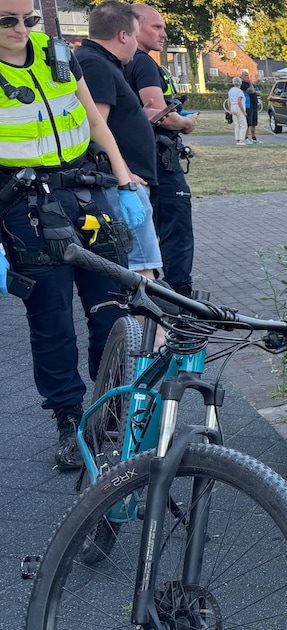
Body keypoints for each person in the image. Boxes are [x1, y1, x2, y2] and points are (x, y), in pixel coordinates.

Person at [0, 0, 148, 469]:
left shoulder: (55, 53)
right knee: (53, 322)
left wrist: (124, 182)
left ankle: (108, 409)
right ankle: (68, 418)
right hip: (26, 207)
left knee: (111, 306)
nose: (21, 28)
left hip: (85, 194)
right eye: (8, 21)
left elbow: (95, 121)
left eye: (28, 18)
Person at [75, 0, 162, 285]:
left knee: (140, 270)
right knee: (141, 272)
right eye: (136, 36)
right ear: (123, 35)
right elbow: (95, 128)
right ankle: (151, 331)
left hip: (125, 182)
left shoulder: (96, 62)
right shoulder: (96, 65)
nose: (137, 45)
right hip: (123, 185)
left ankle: (151, 330)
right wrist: (123, 176)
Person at [126, 3, 197, 298]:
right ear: (134, 27)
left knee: (145, 227)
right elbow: (158, 111)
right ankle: (180, 297)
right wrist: (186, 123)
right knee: (175, 224)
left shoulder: (121, 62)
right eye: (156, 27)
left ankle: (145, 286)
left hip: (139, 158)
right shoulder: (142, 63)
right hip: (159, 158)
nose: (163, 34)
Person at [240, 68, 260, 144]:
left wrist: (254, 89)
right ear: (242, 77)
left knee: (254, 123)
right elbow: (251, 91)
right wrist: (251, 85)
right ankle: (246, 137)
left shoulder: (251, 84)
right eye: (245, 76)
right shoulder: (243, 85)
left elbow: (258, 92)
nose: (247, 77)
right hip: (248, 105)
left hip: (254, 105)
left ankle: (254, 137)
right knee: (248, 122)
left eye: (247, 75)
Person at [228, 75, 247, 145]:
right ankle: (241, 140)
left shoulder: (231, 90)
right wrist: (244, 112)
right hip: (239, 107)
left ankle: (237, 139)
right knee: (243, 124)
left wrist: (230, 109)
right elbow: (239, 102)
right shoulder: (240, 91)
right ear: (240, 83)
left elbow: (229, 100)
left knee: (236, 124)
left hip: (233, 107)